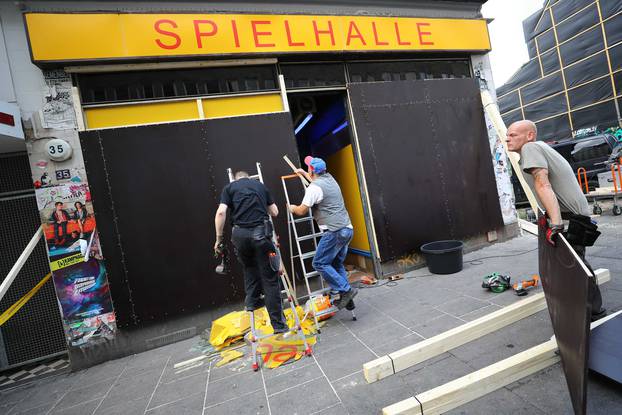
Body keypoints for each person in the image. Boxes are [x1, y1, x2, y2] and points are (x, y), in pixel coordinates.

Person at [506, 120, 606, 320]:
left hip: (570, 219)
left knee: (574, 268)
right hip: (575, 216)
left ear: (529, 136)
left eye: (514, 134)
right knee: (575, 265)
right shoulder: (540, 147)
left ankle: (593, 315)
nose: (508, 138)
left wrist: (556, 223)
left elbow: (543, 184)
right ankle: (589, 311)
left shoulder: (531, 148)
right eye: (508, 134)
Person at [214, 171, 288, 334]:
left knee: (249, 271)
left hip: (240, 237)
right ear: (248, 177)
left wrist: (219, 239)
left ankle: (252, 304)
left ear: (235, 178)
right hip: (261, 235)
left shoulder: (229, 188)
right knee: (270, 279)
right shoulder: (260, 186)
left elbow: (221, 212)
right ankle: (278, 325)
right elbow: (275, 212)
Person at [289, 156, 358, 310]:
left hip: (335, 231)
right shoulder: (330, 179)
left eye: (308, 168)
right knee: (335, 263)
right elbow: (315, 181)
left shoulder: (314, 189)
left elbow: (301, 210)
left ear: (312, 171)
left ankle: (347, 291)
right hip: (347, 228)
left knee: (319, 263)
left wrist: (291, 208)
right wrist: (303, 173)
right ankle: (347, 299)